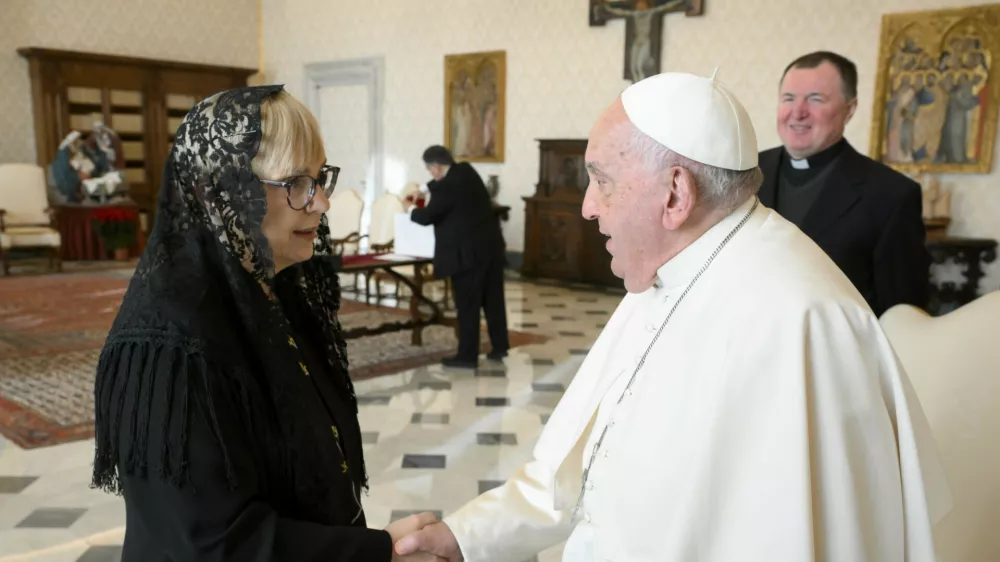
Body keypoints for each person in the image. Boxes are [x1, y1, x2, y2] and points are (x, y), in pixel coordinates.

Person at [391, 71, 952, 561]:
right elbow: (584, 468)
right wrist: (467, 538)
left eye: (602, 180)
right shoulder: (672, 268)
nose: (587, 206)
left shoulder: (795, 321)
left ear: (676, 194)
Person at [91, 85, 442, 561]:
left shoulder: (273, 291)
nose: (321, 203)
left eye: (321, 179)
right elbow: (213, 545)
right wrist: (379, 554)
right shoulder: (170, 344)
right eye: (296, 183)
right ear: (222, 191)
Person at [758, 51, 930, 317]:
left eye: (815, 99)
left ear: (849, 110)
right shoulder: (744, 173)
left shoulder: (891, 195)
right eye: (788, 99)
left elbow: (901, 315)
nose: (798, 112)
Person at [406, 145, 508, 369]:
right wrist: (425, 190)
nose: (430, 174)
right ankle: (500, 346)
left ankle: (467, 356)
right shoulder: (467, 172)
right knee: (493, 300)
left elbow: (428, 217)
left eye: (429, 169)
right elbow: (443, 189)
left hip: (467, 256)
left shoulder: (447, 187)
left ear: (435, 166)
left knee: (468, 305)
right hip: (490, 249)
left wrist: (410, 209)